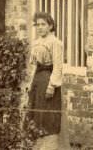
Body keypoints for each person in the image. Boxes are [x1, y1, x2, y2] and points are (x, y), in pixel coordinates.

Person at [28, 12, 63, 145]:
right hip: (37, 79)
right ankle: (36, 143)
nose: (40, 27)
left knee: (48, 113)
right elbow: (33, 65)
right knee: (35, 110)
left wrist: (52, 86)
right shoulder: (36, 42)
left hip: (48, 79)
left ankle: (49, 144)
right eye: (37, 25)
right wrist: (30, 83)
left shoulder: (55, 42)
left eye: (43, 24)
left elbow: (58, 66)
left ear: (50, 26)